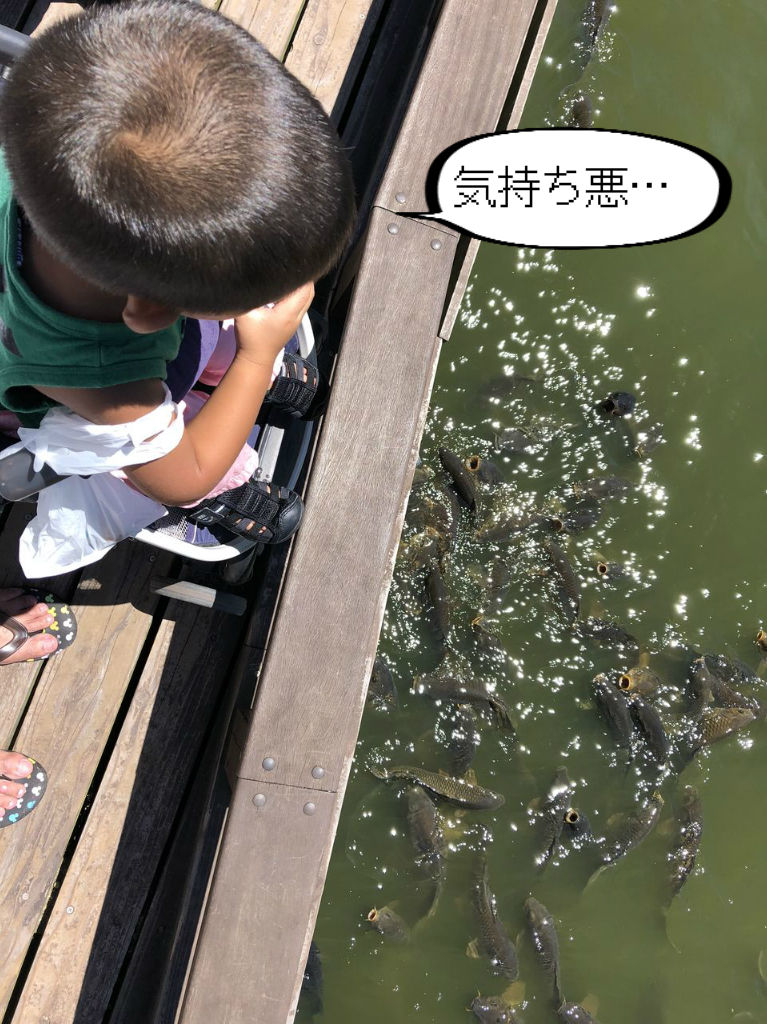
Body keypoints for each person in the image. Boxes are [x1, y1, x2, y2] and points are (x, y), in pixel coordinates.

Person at [0, 0, 356, 577]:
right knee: (190, 460)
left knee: (216, 334)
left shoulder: (40, 150)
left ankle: (226, 370)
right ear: (149, 311)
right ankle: (230, 454)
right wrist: (257, 355)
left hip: (137, 313)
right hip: (104, 406)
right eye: (249, 296)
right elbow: (182, 473)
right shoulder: (102, 379)